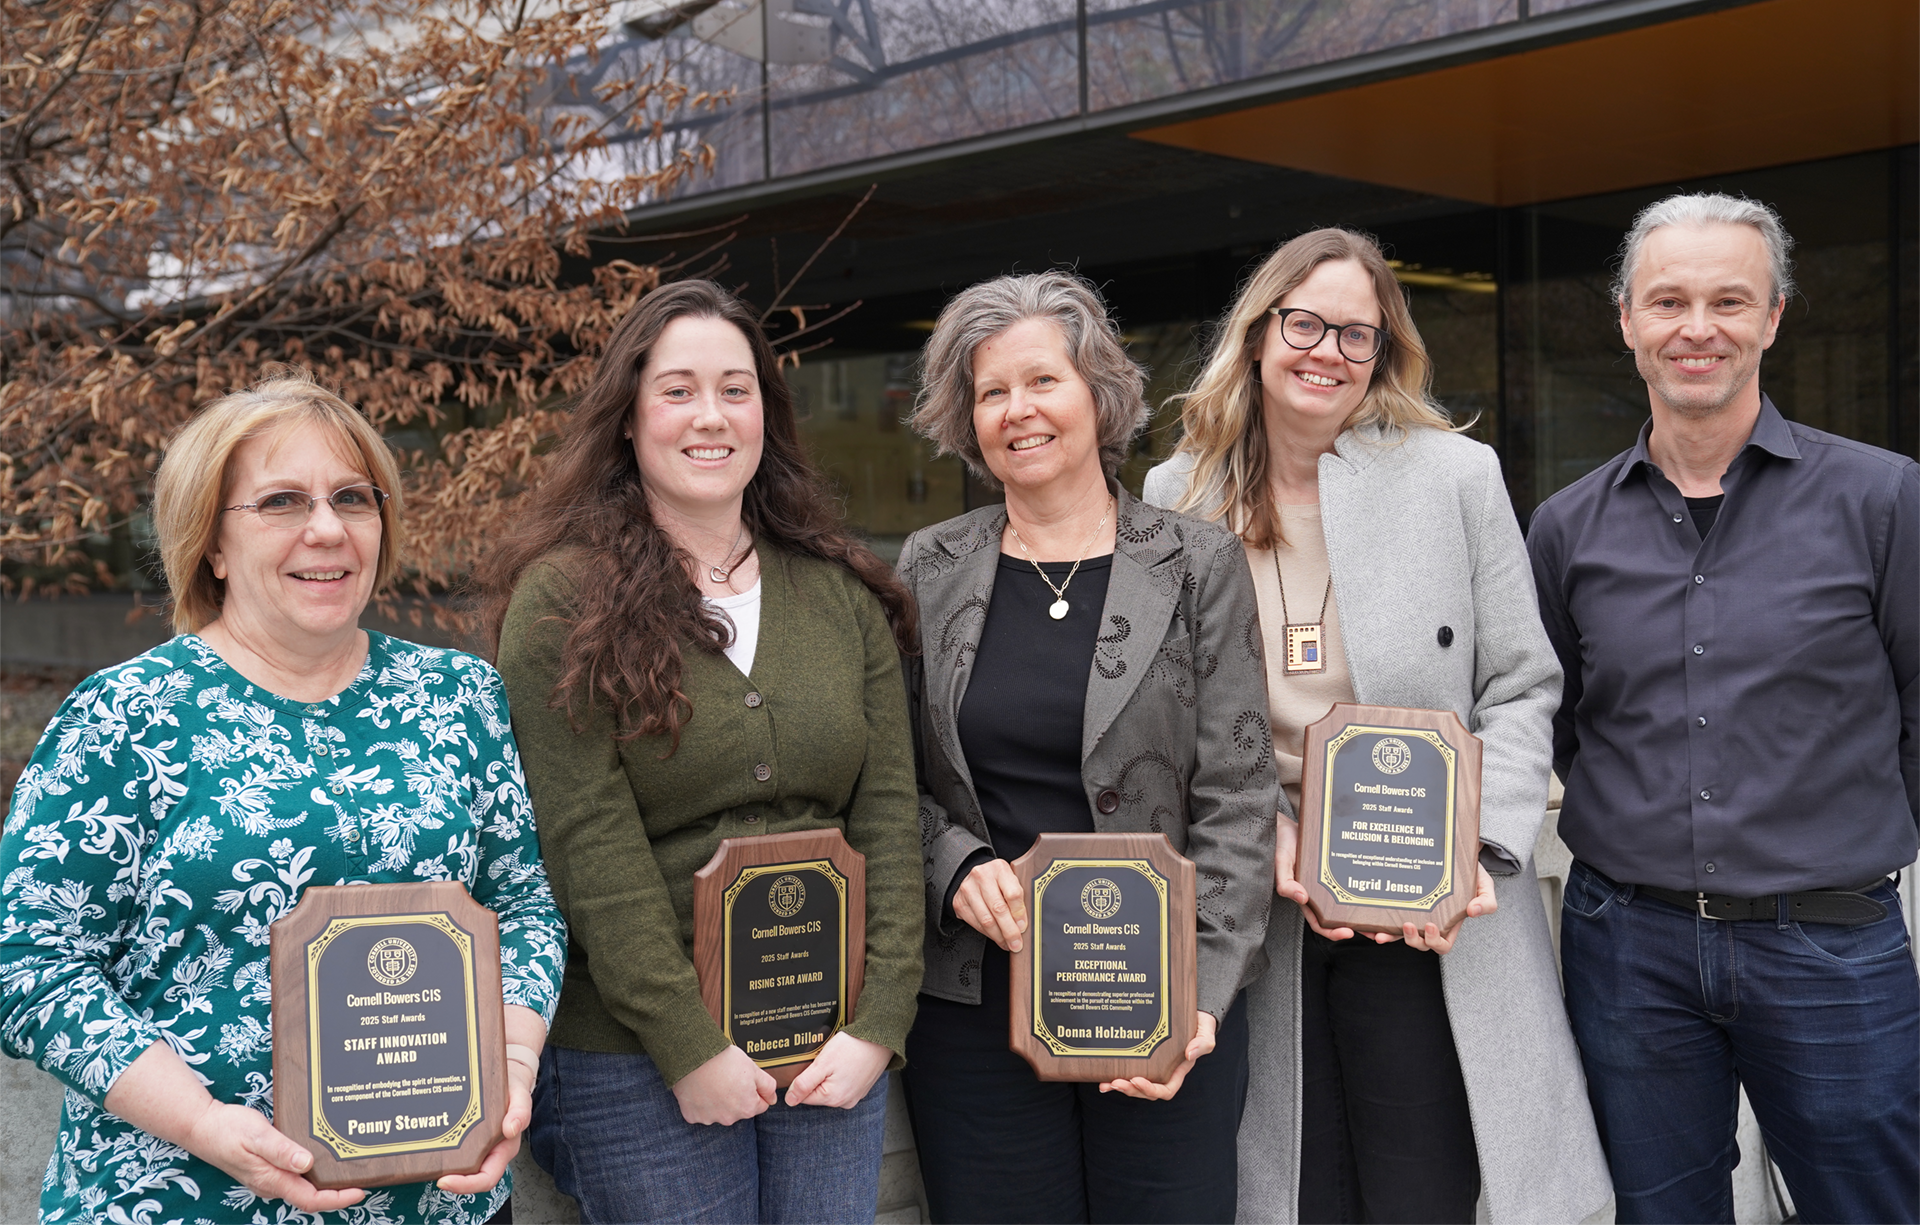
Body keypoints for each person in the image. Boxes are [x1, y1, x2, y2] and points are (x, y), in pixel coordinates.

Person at [0, 369, 567, 1225]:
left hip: (436, 1204)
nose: (328, 530)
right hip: (182, 1199)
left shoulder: (461, 698)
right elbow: (30, 965)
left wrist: (513, 1068)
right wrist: (202, 1123)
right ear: (211, 545)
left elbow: (524, 904)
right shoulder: (125, 717)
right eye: (280, 503)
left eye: (353, 498)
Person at [1144, 228, 1609, 1225]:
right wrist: (1265, 834)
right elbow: (1166, 711)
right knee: (1293, 1186)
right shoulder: (1176, 497)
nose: (1327, 352)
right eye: (1305, 323)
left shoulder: (1456, 476)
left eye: (1357, 335)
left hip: (1430, 890)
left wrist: (1483, 843)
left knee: (1420, 1177)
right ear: (1260, 332)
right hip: (1268, 887)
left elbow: (1523, 680)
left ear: (1385, 352)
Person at [481, 279, 923, 1225]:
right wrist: (687, 1045)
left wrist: (881, 1021)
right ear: (628, 419)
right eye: (678, 390)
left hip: (828, 1037)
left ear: (768, 411)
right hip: (637, 1055)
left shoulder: (840, 595)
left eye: (737, 387)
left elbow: (888, 819)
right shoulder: (563, 600)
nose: (710, 416)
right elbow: (585, 844)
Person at [1527, 192, 1920, 1224]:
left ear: (1774, 316)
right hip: (1629, 950)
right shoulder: (1565, 529)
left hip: (1830, 944)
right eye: (1668, 301)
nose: (1696, 327)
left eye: (1727, 300)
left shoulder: (1884, 501)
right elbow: (1560, 717)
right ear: (1627, 320)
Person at [897, 271, 1279, 1225]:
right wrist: (953, 867)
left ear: (1097, 395)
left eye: (1042, 382)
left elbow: (1239, 791)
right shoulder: (927, 568)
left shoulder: (1197, 563)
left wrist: (1202, 996)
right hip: (979, 996)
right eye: (991, 392)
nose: (1018, 411)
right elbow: (883, 780)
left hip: (1158, 995)